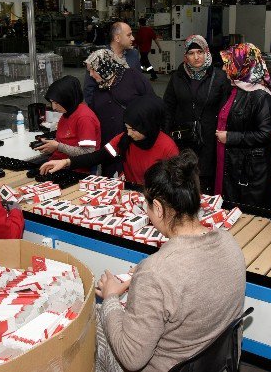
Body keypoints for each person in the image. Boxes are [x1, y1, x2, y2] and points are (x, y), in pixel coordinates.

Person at [95, 150, 245, 372]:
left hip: (169, 366)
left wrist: (110, 298)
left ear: (157, 207)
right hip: (214, 362)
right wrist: (148, 278)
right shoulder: (229, 242)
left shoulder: (155, 273)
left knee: (98, 319)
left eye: (146, 205)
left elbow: (131, 358)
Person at [39, 95, 178, 185]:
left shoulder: (167, 147)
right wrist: (65, 162)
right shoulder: (123, 139)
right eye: (127, 127)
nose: (129, 133)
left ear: (149, 126)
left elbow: (175, 183)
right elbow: (98, 157)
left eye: (134, 130)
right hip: (131, 192)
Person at [163, 34, 230, 194]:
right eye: (191, 53)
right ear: (186, 56)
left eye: (199, 52)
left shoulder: (219, 78)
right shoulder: (177, 77)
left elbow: (225, 111)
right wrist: (165, 134)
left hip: (209, 139)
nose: (196, 57)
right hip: (183, 138)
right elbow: (168, 107)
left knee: (205, 179)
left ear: (206, 52)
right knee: (183, 177)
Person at [216, 43, 271, 212]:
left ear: (242, 66)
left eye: (228, 63)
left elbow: (265, 134)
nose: (223, 68)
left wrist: (231, 137)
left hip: (252, 172)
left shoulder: (261, 96)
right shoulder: (237, 88)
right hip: (237, 165)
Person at [84, 48, 154, 177]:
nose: (91, 75)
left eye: (93, 70)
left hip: (134, 144)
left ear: (104, 66)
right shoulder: (98, 89)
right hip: (110, 149)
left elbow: (152, 103)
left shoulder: (132, 76)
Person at [35, 76, 101, 172]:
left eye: (57, 103)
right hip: (57, 163)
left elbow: (88, 153)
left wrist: (57, 146)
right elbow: (67, 140)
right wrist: (50, 144)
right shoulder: (68, 112)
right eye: (52, 102)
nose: (53, 107)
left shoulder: (84, 118)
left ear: (68, 98)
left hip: (76, 169)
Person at [84, 21, 141, 104]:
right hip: (107, 109)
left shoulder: (133, 54)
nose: (133, 38)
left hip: (131, 107)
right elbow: (89, 89)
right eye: (129, 35)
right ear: (117, 38)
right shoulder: (99, 57)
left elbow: (139, 81)